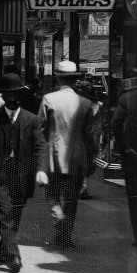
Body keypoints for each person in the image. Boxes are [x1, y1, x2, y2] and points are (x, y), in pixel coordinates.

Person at [0, 72, 48, 273]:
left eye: (16, 95)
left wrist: (41, 169)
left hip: (22, 177)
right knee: (5, 214)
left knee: (14, 216)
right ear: (2, 96)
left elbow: (41, 146)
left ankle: (4, 248)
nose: (13, 99)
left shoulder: (31, 119)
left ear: (21, 97)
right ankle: (14, 257)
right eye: (8, 95)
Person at [39, 60, 96, 248]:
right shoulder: (86, 103)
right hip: (78, 158)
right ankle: (65, 237)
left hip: (54, 156)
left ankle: (58, 216)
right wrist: (91, 159)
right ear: (75, 79)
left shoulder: (49, 99)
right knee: (72, 199)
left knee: (52, 194)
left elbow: (41, 129)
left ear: (57, 77)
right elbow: (90, 136)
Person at [112, 66, 137, 247]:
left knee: (135, 196)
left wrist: (126, 149)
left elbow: (116, 125)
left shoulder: (127, 97)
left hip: (134, 155)